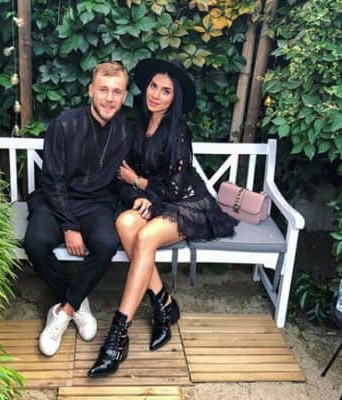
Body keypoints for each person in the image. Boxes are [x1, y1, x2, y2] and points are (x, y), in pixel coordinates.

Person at [88, 58, 238, 377]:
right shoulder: (134, 124)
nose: (156, 94)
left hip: (188, 204)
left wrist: (139, 183)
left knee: (145, 236)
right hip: (156, 201)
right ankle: (164, 303)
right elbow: (119, 176)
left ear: (174, 98)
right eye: (153, 86)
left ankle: (118, 334)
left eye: (165, 91)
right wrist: (137, 195)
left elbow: (173, 189)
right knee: (124, 222)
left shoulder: (178, 131)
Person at [24, 61, 133, 357]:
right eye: (103, 90)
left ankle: (64, 311)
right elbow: (52, 180)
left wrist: (138, 193)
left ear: (124, 96)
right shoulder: (65, 124)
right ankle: (77, 300)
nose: (109, 98)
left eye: (116, 92)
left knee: (106, 243)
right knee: (35, 242)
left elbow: (123, 178)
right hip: (57, 200)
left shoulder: (126, 131)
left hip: (97, 204)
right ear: (90, 91)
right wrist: (69, 226)